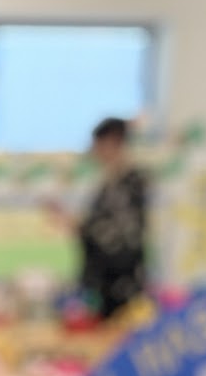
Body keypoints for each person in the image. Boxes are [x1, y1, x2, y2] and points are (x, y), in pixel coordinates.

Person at [53, 117, 150, 320]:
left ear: (114, 142)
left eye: (98, 144)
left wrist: (81, 226)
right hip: (101, 285)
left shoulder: (131, 184)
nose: (95, 151)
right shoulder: (108, 184)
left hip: (121, 287)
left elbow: (119, 238)